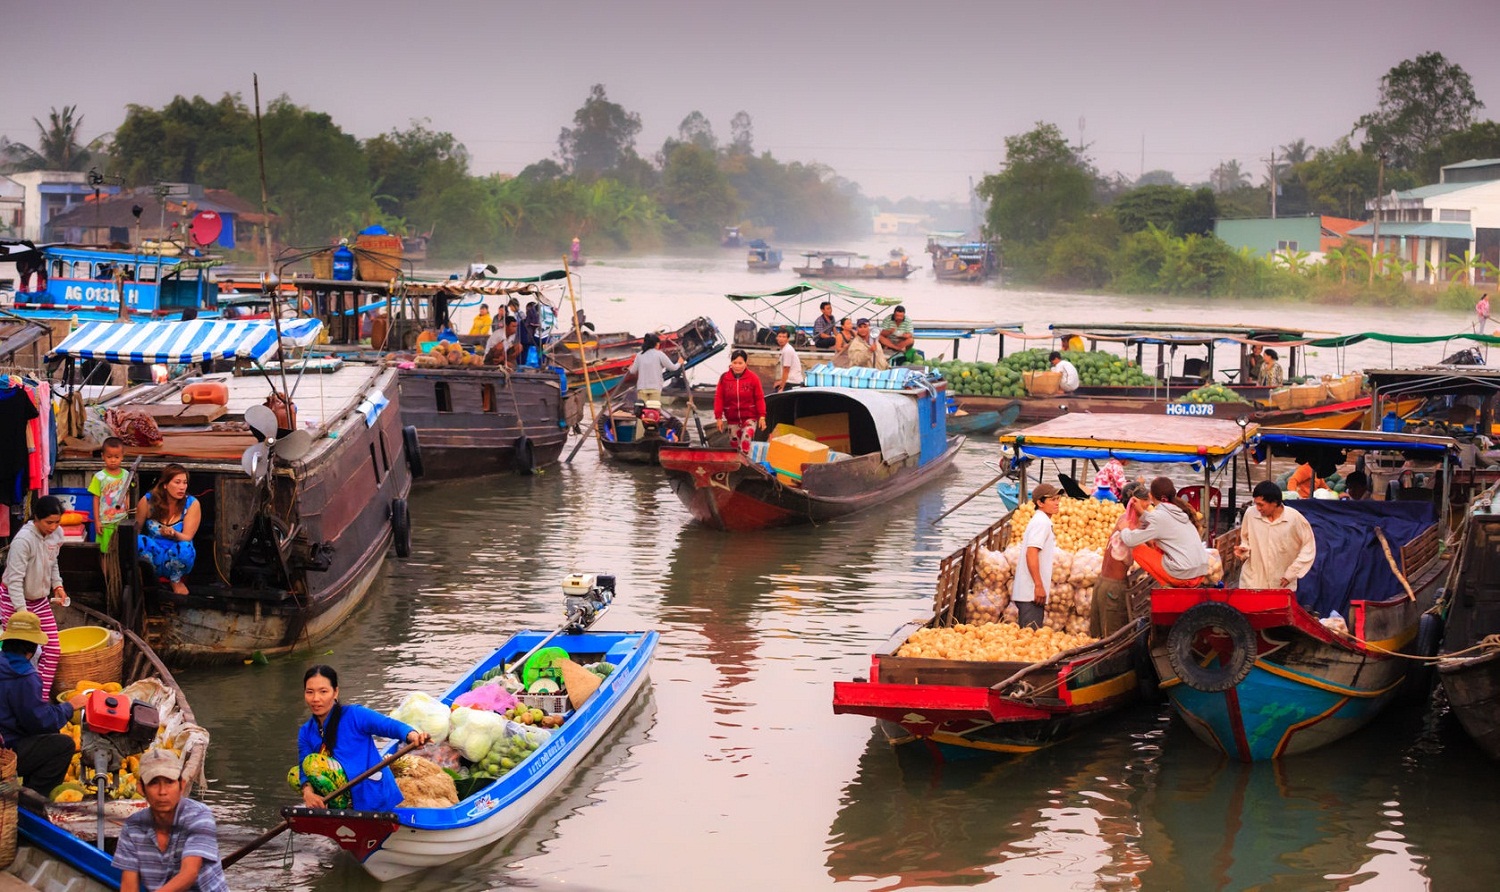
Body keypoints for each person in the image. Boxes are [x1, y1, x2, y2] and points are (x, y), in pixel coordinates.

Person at [298, 665, 430, 812]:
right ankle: (336, 807)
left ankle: (345, 808)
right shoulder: (306, 731)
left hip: (369, 792)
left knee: (311, 763)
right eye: (310, 692)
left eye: (323, 692)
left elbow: (388, 725)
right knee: (296, 772)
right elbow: (303, 770)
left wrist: (412, 736)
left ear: (335, 692)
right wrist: (308, 794)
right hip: (339, 793)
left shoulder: (354, 714)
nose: (316, 699)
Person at [112, 748, 229, 892]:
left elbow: (189, 873)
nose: (162, 792)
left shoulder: (199, 816)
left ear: (182, 785)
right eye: (154, 783)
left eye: (169, 782)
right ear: (141, 788)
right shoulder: (133, 827)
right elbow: (129, 886)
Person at [0, 611, 90, 796]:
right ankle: (34, 799)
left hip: (6, 735)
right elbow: (39, 721)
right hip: (7, 748)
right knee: (63, 745)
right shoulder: (25, 677)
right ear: (32, 649)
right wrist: (69, 706)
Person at [2, 495, 69, 695]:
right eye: (49, 522)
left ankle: (40, 696)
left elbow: (53, 561)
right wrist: (22, 614)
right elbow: (14, 580)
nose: (53, 527)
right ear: (36, 518)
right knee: (19, 654)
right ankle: (11, 695)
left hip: (39, 601)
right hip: (13, 601)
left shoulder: (57, 534)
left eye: (57, 522)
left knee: (52, 650)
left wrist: (57, 585)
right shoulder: (23, 540)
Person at [1118, 477, 1210, 586]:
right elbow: (1161, 521)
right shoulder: (1178, 511)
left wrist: (1124, 529)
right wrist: (1142, 513)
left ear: (1151, 496)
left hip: (1184, 574)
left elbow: (1130, 540)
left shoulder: (1159, 516)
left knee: (1138, 550)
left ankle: (1168, 584)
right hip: (1200, 570)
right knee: (1156, 546)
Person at [1235, 480, 1317, 591]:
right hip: (1252, 581)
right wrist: (1244, 550)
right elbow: (1245, 540)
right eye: (1256, 504)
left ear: (1274, 502)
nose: (1258, 508)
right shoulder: (1250, 514)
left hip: (1282, 583)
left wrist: (1292, 572)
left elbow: (1309, 547)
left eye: (1261, 505)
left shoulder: (1294, 518)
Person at [135, 464, 200, 596]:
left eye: (185, 483)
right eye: (177, 482)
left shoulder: (192, 504)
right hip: (154, 556)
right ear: (165, 484)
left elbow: (188, 537)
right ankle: (147, 578)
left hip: (177, 559)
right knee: (138, 540)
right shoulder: (147, 501)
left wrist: (174, 534)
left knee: (185, 548)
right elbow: (136, 529)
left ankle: (175, 580)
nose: (182, 487)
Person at [1094, 481, 1148, 637]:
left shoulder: (1123, 519)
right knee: (1113, 638)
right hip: (1113, 589)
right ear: (1136, 502)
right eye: (1147, 501)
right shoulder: (1131, 528)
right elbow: (1151, 546)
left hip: (1103, 584)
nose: (1149, 505)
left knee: (1100, 636)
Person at [1012, 484, 1061, 629]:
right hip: (1030, 593)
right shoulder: (1042, 522)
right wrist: (1038, 586)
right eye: (1052, 500)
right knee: (1030, 637)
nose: (1057, 503)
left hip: (1030, 592)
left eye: (1058, 499)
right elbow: (1031, 552)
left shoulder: (1042, 520)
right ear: (1040, 503)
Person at [713, 350, 766, 455]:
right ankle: (737, 465)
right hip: (732, 419)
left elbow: (759, 398)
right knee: (734, 445)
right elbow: (719, 398)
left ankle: (743, 464)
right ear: (731, 363)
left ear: (746, 364)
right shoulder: (724, 378)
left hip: (749, 417)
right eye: (735, 363)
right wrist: (718, 417)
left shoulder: (753, 378)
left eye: (740, 363)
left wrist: (762, 416)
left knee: (746, 440)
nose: (737, 366)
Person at [91, 436, 131, 561]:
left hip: (121, 520)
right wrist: (97, 521)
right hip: (105, 522)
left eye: (116, 457)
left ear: (122, 456)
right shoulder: (99, 477)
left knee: (121, 552)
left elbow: (127, 492)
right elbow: (96, 499)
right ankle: (106, 578)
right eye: (109, 457)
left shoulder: (126, 475)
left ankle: (119, 578)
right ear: (103, 456)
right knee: (104, 553)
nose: (113, 460)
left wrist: (128, 505)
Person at [627, 332, 682, 404]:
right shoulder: (659, 354)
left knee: (642, 411)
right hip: (655, 388)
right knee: (653, 411)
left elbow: (632, 371)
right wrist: (679, 362)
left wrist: (629, 368)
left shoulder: (639, 355)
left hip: (642, 388)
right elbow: (673, 368)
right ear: (656, 344)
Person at [774, 328, 804, 393]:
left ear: (788, 339)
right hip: (789, 381)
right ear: (776, 338)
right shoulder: (784, 349)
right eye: (779, 336)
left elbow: (786, 370)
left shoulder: (787, 350)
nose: (781, 339)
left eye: (784, 337)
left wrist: (781, 387)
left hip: (793, 382)